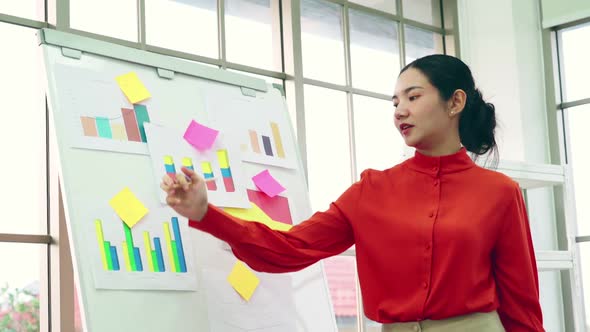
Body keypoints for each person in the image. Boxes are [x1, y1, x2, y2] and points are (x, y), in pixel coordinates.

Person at [161, 54, 544, 332]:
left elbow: (521, 304)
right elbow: (290, 248)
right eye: (395, 102)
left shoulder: (500, 193)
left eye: (413, 97)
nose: (400, 111)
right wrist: (205, 213)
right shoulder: (371, 190)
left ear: (455, 102)